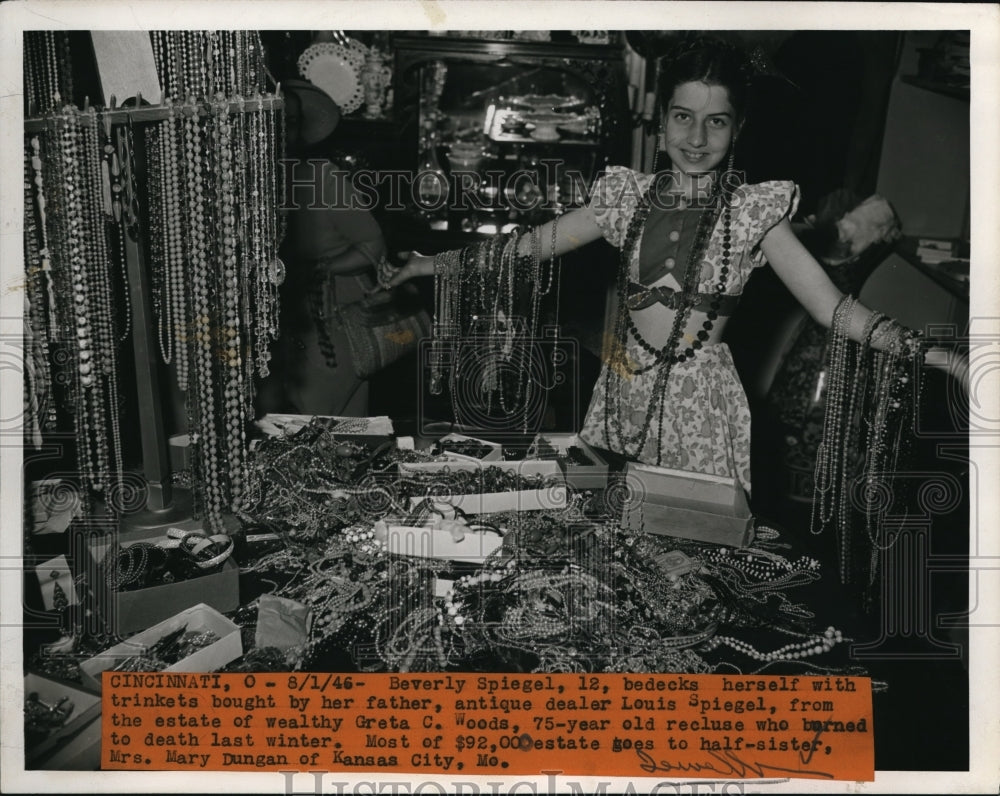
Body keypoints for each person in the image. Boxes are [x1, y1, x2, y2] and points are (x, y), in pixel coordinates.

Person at [384, 36, 967, 496]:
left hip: (702, 409)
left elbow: (833, 308)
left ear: (738, 130)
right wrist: (431, 265)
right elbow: (529, 247)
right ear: (661, 123)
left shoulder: (752, 213)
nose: (696, 136)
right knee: (615, 557)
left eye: (716, 121)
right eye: (683, 117)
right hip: (622, 393)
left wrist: (941, 357)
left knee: (692, 556)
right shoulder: (626, 199)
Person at [258, 79, 386, 417]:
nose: (284, 131)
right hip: (271, 325)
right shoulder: (241, 180)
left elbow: (373, 245)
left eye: (293, 122)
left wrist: (320, 268)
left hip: (331, 323)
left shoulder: (321, 178)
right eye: (276, 121)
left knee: (326, 427)